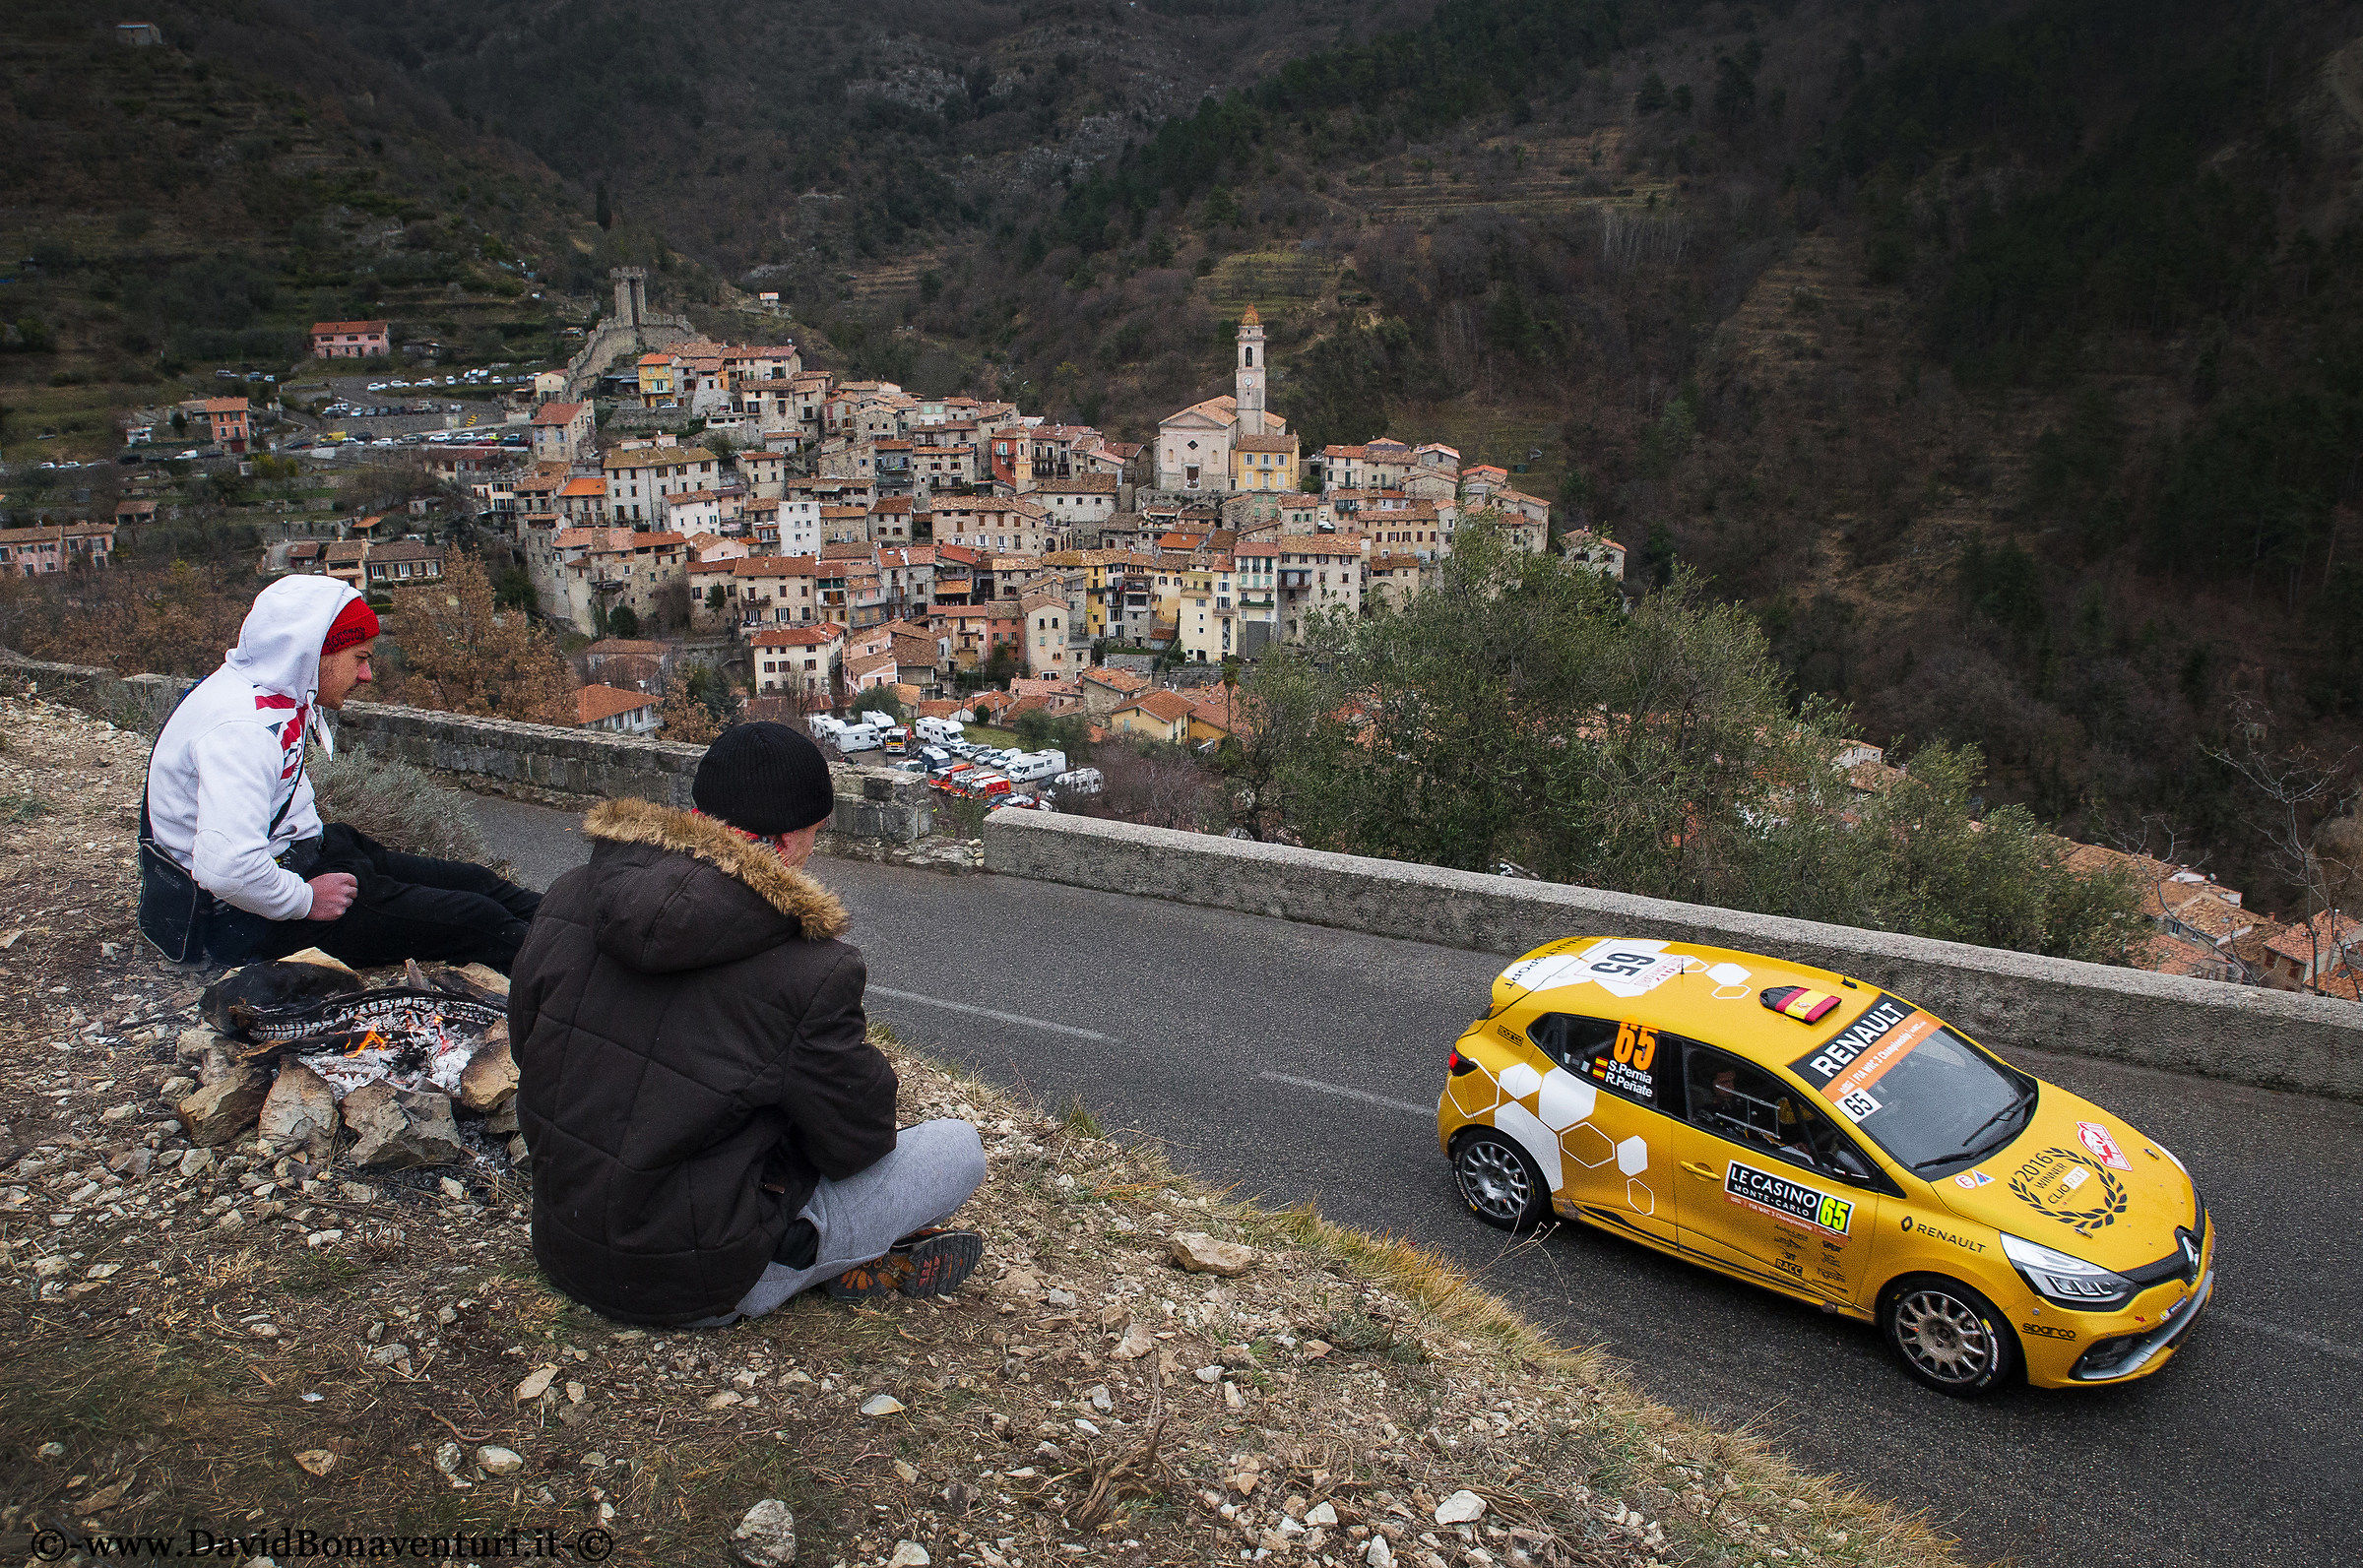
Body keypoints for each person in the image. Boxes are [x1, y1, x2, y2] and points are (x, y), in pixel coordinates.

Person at [508, 721, 987, 1328]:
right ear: (786, 843)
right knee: (957, 1149)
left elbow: (530, 1048)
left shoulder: (571, 895)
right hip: (694, 1284)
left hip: (565, 1243)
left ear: (695, 812)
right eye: (815, 835)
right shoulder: (814, 971)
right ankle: (805, 1251)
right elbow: (859, 1140)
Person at [139, 575, 543, 972]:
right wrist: (304, 900)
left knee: (478, 882)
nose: (366, 676)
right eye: (360, 659)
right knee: (479, 920)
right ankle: (574, 979)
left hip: (302, 855)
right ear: (312, 651)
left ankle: (577, 921)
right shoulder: (243, 731)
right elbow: (226, 868)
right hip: (248, 918)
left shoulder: (270, 693)